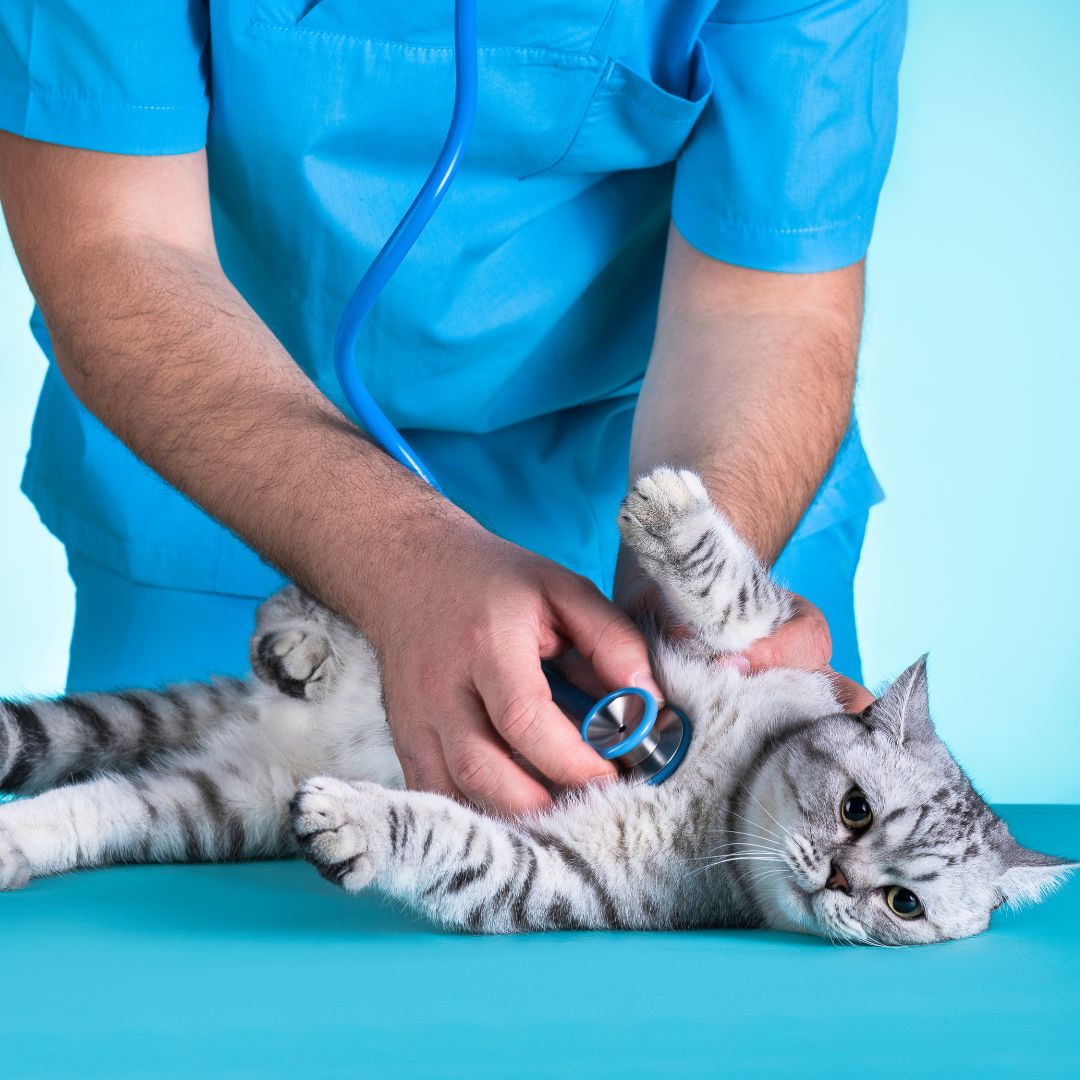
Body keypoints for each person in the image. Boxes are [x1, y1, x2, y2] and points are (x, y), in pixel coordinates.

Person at [0, 1, 905, 814]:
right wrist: (402, 562)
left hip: (653, 479)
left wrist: (696, 590)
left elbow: (766, 300)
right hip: (228, 495)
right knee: (183, 911)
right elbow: (115, 245)